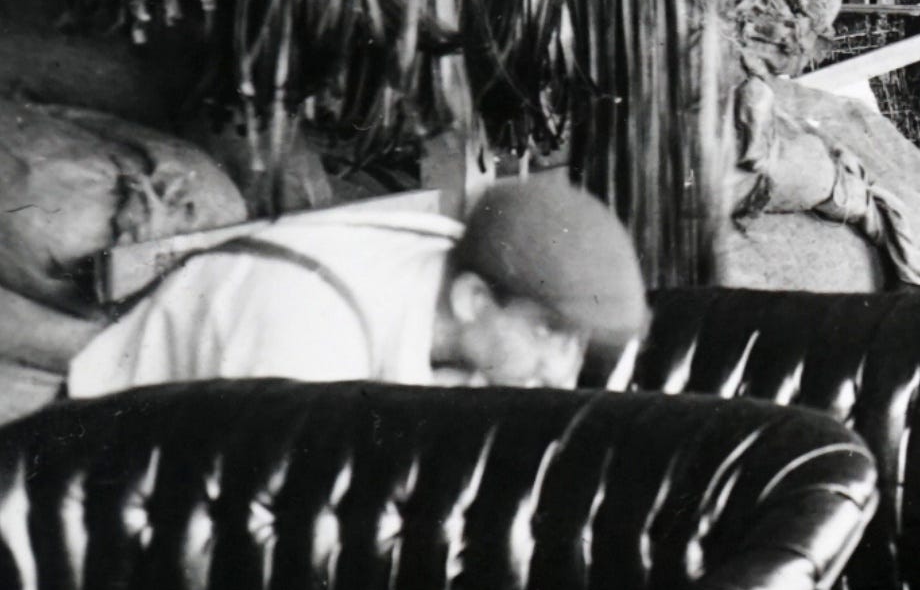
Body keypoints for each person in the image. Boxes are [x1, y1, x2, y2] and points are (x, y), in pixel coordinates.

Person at [64, 174, 651, 396]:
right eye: (550, 333)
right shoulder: (309, 325)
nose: (561, 373)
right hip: (96, 481)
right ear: (473, 299)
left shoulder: (466, 303)